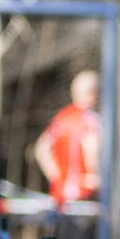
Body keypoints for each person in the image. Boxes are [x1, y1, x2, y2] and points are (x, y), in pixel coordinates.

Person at [34, 69, 103, 207]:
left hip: (61, 197)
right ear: (93, 94)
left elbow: (41, 149)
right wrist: (96, 177)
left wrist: (57, 177)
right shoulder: (91, 120)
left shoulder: (61, 119)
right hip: (86, 194)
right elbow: (92, 149)